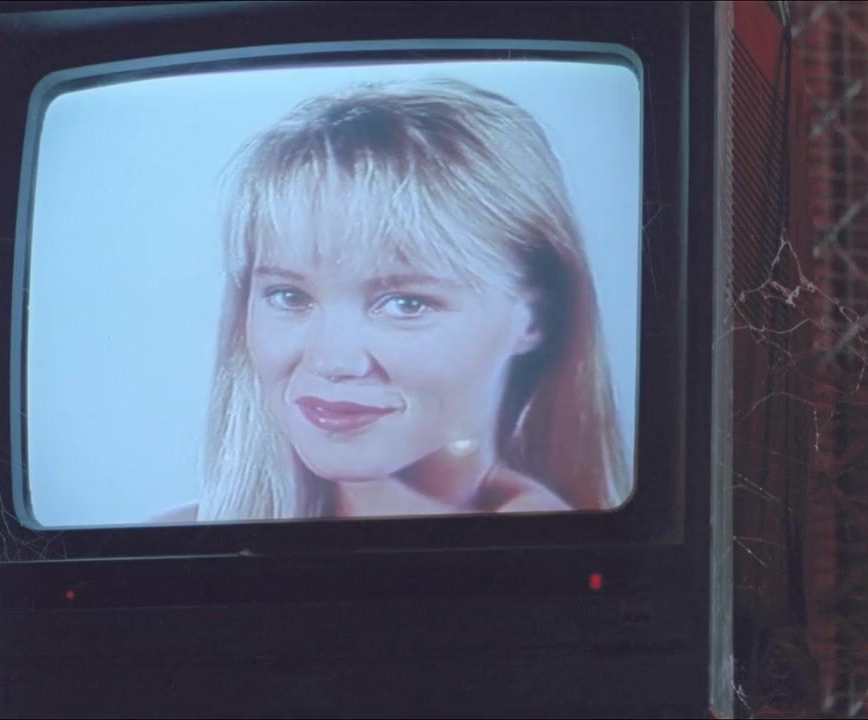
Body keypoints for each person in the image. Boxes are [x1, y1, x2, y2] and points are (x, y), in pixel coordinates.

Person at [188, 77, 629, 521]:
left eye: (406, 304)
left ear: (535, 318)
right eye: (289, 296)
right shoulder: (181, 537)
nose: (332, 361)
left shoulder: (561, 555)